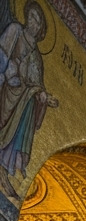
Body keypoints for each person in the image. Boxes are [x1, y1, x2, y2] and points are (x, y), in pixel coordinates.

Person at [0, 1, 58, 197]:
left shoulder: (37, 56)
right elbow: (2, 53)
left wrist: (42, 95)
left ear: (41, 28)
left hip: (22, 97)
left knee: (29, 102)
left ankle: (5, 165)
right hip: (7, 86)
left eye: (38, 20)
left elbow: (36, 83)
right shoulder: (15, 30)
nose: (33, 22)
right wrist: (11, 74)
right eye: (32, 17)